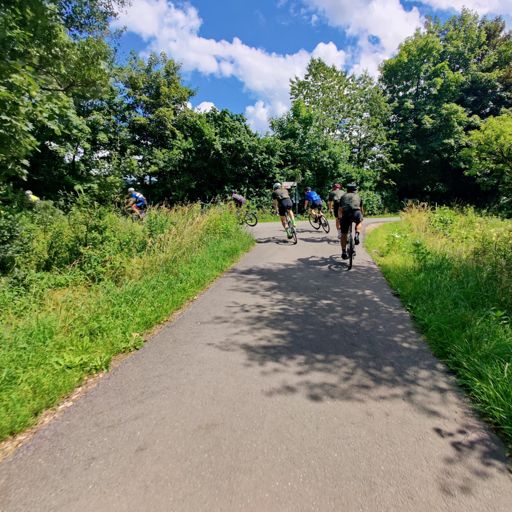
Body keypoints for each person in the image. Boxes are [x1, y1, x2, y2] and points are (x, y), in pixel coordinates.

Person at [339, 183, 364, 260]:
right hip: (356, 212)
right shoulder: (358, 196)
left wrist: (340, 217)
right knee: (359, 222)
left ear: (347, 190)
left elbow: (340, 209)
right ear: (355, 190)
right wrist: (361, 216)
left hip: (346, 213)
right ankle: (357, 235)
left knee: (344, 233)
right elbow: (361, 208)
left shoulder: (343, 196)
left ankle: (343, 252)